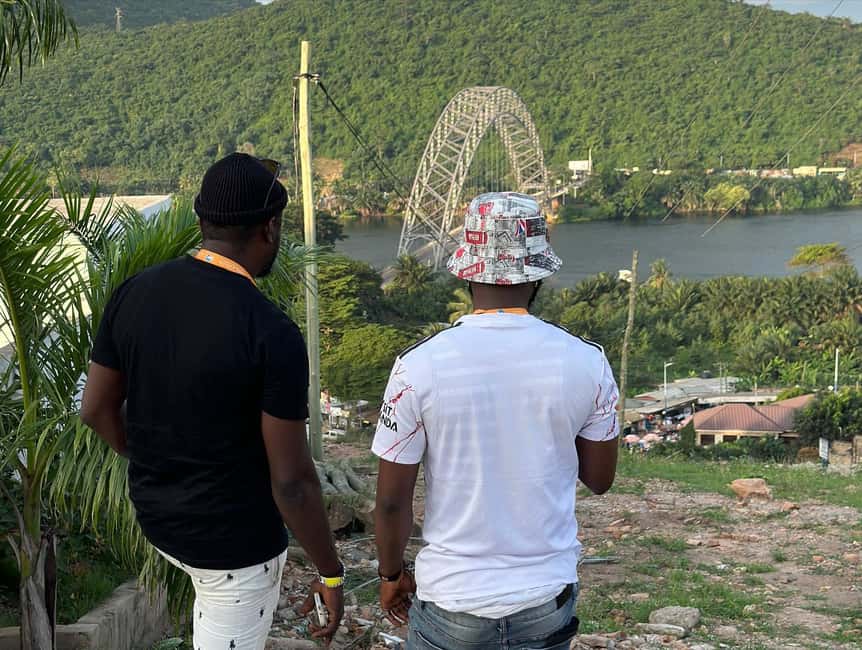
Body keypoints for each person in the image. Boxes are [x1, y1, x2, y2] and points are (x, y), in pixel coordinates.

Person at [80, 153, 344, 649]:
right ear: (270, 228)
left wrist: (156, 461)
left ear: (202, 221)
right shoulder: (271, 331)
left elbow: (94, 409)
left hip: (159, 520)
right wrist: (331, 573)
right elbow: (292, 482)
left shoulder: (135, 292)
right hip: (234, 551)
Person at [372, 192, 619, 650]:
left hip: (451, 600)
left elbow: (390, 503)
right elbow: (599, 479)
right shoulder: (587, 361)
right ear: (539, 272)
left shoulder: (417, 366)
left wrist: (390, 574)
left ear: (466, 271)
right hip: (543, 597)